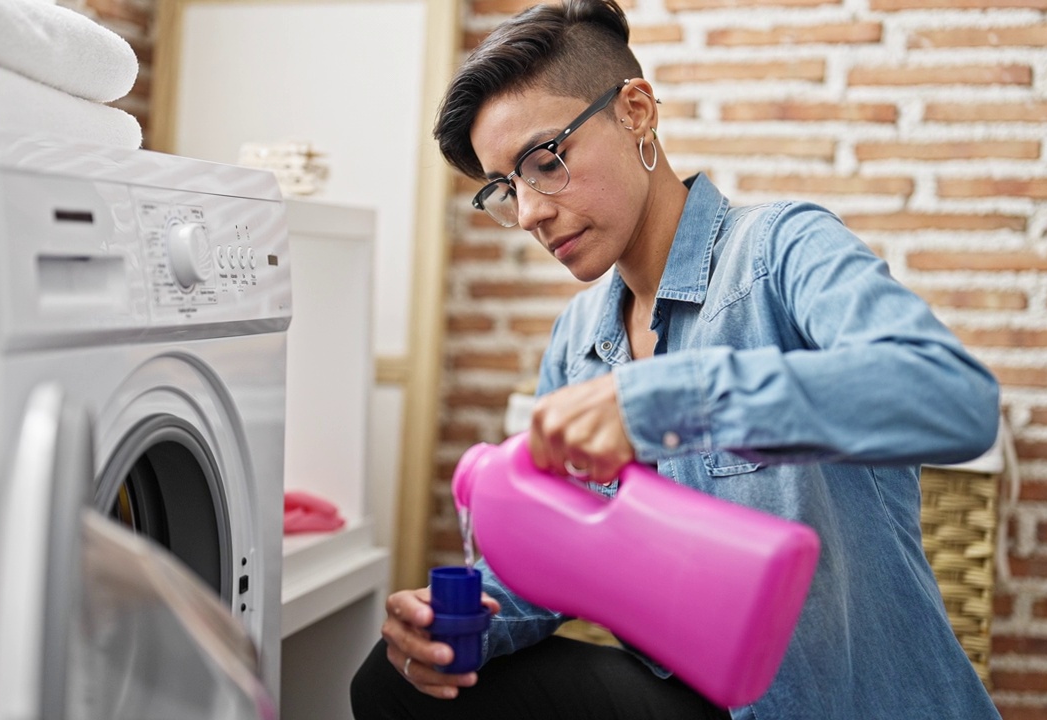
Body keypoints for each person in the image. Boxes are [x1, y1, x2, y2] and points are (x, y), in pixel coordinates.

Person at [350, 1, 1003, 718]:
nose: (531, 212)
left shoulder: (780, 251)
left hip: (843, 703)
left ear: (635, 111)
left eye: (546, 162)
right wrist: (470, 620)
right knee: (387, 685)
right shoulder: (579, 342)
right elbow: (561, 558)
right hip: (698, 699)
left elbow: (955, 397)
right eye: (506, 188)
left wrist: (662, 402)